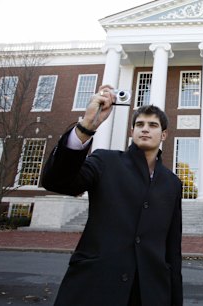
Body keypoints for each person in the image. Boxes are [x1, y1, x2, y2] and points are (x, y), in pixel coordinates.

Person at [41, 85, 183, 306]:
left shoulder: (172, 183)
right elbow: (56, 181)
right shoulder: (105, 162)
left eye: (152, 125)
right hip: (95, 287)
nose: (145, 129)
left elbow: (172, 249)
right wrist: (86, 126)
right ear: (132, 131)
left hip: (149, 293)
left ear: (163, 134)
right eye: (139, 124)